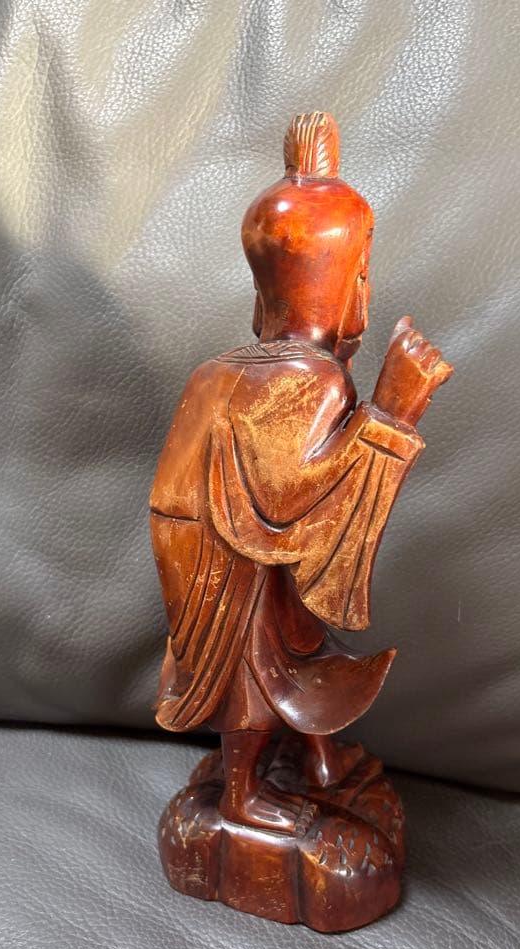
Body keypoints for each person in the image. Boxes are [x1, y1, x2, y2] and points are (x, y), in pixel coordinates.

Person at [150, 112, 451, 833]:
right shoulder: (313, 380)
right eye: (362, 276)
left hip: (227, 533)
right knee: (253, 657)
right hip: (217, 551)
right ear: (343, 285)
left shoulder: (218, 370)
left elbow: (299, 509)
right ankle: (241, 793)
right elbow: (304, 500)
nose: (365, 296)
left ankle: (317, 755)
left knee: (302, 625)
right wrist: (393, 413)